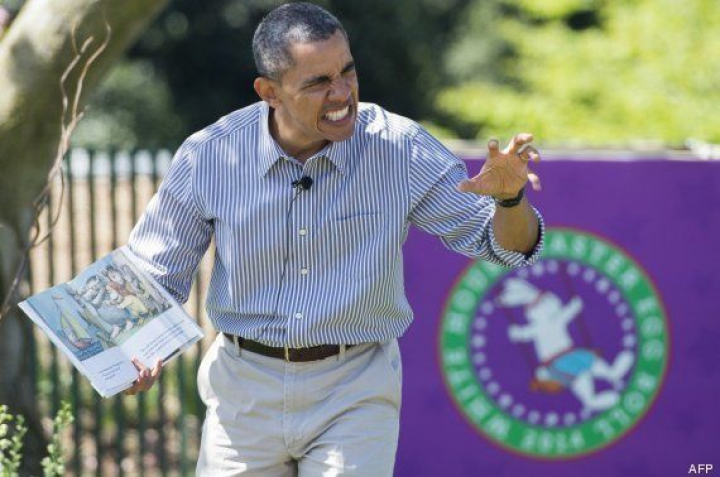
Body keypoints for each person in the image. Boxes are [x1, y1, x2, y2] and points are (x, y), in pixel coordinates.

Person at [124, 3, 545, 475]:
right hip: (241, 393)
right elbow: (152, 273)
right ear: (269, 92)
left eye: (347, 71)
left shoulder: (399, 148)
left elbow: (505, 245)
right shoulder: (209, 156)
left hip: (355, 388)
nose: (342, 93)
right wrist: (131, 353)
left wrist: (510, 200)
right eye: (318, 82)